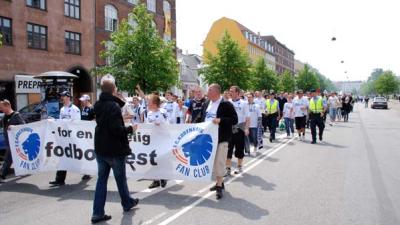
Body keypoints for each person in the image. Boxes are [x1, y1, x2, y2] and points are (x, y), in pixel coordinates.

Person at [91, 80, 139, 223]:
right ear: (113, 90)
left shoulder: (98, 104)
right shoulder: (113, 106)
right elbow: (116, 130)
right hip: (114, 149)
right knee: (120, 179)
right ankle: (126, 203)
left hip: (101, 148)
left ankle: (97, 212)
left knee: (101, 181)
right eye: (116, 88)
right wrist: (131, 129)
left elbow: (103, 123)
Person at [200, 84, 238, 200]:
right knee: (212, 163)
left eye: (210, 90)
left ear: (216, 92)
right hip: (208, 138)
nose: (207, 91)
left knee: (219, 162)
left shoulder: (226, 104)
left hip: (221, 138)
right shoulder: (207, 103)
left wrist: (221, 120)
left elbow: (234, 119)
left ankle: (219, 186)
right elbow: (202, 117)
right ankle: (219, 183)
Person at [49, 91, 82, 187]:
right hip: (64, 136)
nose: (61, 98)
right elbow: (60, 122)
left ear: (68, 97)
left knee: (78, 156)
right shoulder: (62, 109)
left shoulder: (75, 109)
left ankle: (86, 171)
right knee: (62, 157)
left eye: (63, 96)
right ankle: (59, 179)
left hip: (72, 137)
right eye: (61, 96)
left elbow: (77, 123)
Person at [145, 94, 169, 189]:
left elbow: (167, 124)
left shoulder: (163, 112)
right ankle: (155, 180)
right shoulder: (149, 113)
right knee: (153, 160)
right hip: (152, 139)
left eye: (149, 102)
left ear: (154, 104)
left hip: (162, 139)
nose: (148, 104)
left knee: (161, 159)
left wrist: (161, 123)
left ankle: (163, 177)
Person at [226, 86, 250, 176]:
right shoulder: (228, 102)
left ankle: (239, 166)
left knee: (239, 149)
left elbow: (247, 117)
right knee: (228, 149)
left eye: (232, 91)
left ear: (237, 93)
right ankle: (227, 168)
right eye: (229, 91)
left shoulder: (244, 103)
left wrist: (247, 128)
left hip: (239, 128)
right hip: (229, 129)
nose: (230, 92)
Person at [0, 100, 25, 180]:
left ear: (7, 106)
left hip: (15, 141)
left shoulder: (16, 115)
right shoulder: (4, 117)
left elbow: (23, 126)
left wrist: (14, 127)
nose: (1, 109)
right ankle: (25, 170)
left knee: (8, 157)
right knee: (17, 157)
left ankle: (2, 174)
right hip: (8, 141)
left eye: (1, 107)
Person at [79, 94, 95, 180]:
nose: (82, 101)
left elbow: (96, 118)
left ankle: (88, 171)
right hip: (83, 132)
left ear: (87, 100)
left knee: (89, 151)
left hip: (89, 133)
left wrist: (88, 124)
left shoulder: (92, 108)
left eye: (83, 100)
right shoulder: (83, 108)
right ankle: (87, 170)